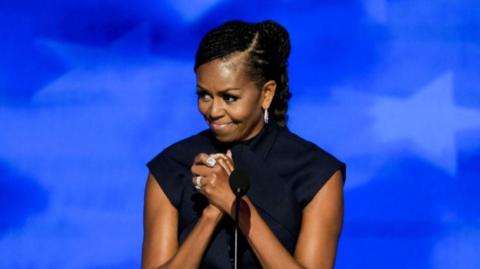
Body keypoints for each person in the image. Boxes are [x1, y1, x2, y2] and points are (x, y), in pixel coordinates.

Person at [142, 20, 345, 269]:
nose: (214, 110)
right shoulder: (171, 167)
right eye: (204, 95)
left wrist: (236, 205)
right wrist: (210, 216)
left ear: (266, 94)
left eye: (229, 97)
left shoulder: (316, 173)